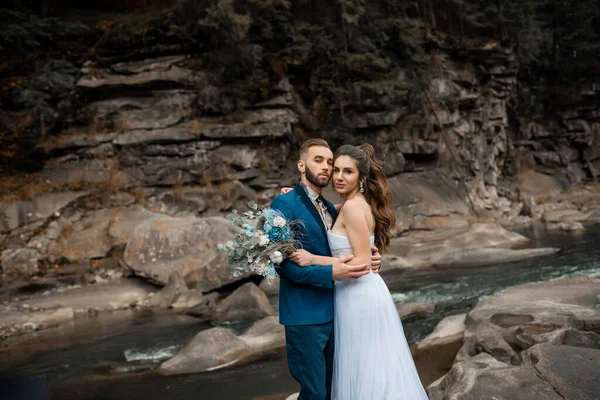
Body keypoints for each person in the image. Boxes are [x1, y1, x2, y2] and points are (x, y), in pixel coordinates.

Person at [288, 144, 429, 400]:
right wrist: (296, 196)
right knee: (370, 365)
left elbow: (362, 263)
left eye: (348, 172)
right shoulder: (350, 204)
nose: (339, 176)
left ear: (361, 178)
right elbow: (324, 210)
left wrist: (312, 258)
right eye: (337, 170)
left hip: (358, 295)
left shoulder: (353, 207)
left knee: (367, 367)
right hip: (355, 293)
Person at [269, 139, 382, 400]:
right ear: (301, 164)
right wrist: (331, 272)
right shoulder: (284, 204)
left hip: (337, 312)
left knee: (334, 389)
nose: (326, 167)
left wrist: (371, 254)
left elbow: (351, 242)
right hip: (304, 315)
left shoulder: (330, 208)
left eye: (330, 162)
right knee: (315, 392)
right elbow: (284, 267)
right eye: (318, 160)